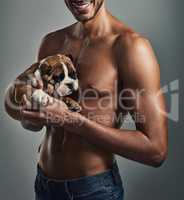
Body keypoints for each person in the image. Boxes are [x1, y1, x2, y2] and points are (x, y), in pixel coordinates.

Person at [4, 0, 168, 199]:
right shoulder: (52, 42)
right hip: (45, 185)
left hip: (93, 190)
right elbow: (29, 121)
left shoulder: (130, 47)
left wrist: (72, 120)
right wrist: (32, 117)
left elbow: (155, 150)